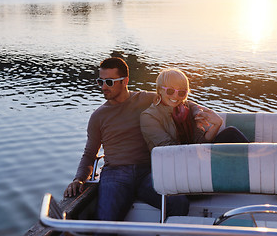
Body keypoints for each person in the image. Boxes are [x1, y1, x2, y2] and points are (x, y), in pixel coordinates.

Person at [64, 58, 189, 222]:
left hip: (148, 172)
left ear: (125, 81)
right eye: (100, 81)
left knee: (179, 204)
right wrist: (78, 179)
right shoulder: (98, 116)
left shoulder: (147, 100)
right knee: (105, 222)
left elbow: (180, 101)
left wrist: (205, 115)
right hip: (116, 173)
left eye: (109, 82)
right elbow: (89, 154)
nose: (103, 87)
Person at [140, 68, 249, 151]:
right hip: (172, 163)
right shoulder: (149, 117)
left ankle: (258, 163)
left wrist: (217, 125)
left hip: (194, 154)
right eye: (170, 91)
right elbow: (170, 150)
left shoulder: (187, 107)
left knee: (231, 133)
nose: (176, 96)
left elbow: (200, 142)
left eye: (182, 92)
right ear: (159, 90)